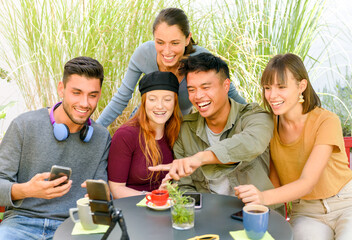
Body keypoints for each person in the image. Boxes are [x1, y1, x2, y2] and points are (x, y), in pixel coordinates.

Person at [235, 53, 352, 239]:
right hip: (306, 213)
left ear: (301, 86)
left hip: (346, 204)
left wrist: (262, 197)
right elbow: (275, 181)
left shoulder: (326, 121)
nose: (272, 95)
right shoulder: (269, 126)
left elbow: (307, 182)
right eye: (267, 87)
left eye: (281, 87)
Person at [150, 53, 283, 214]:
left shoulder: (254, 116)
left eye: (206, 87)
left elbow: (251, 142)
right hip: (207, 218)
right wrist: (174, 191)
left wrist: (199, 159)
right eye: (191, 89)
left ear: (226, 86)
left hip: (256, 216)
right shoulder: (186, 129)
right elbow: (185, 186)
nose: (198, 96)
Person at [0, 56, 111, 239]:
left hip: (73, 226)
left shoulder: (101, 137)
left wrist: (100, 196)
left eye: (92, 95)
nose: (85, 103)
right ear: (61, 88)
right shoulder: (24, 125)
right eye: (77, 93)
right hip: (20, 223)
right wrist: (27, 189)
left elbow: (101, 197)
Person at [96, 7, 246, 127]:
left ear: (187, 39)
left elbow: (230, 93)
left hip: (181, 125)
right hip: (145, 120)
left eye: (174, 43)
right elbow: (121, 98)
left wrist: (258, 118)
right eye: (160, 42)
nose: (167, 51)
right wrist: (94, 129)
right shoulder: (143, 55)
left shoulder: (201, 58)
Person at [108, 71, 181, 198]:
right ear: (144, 102)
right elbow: (116, 189)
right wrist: (154, 197)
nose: (160, 106)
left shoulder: (176, 130)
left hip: (166, 205)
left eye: (167, 99)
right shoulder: (126, 135)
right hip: (133, 207)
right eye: (152, 99)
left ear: (174, 102)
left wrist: (167, 191)